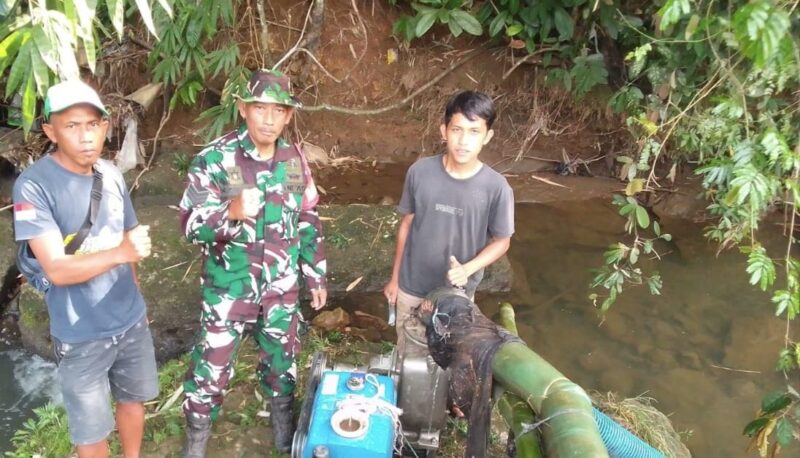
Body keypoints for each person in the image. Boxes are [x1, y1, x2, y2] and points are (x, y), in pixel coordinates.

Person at [178, 69, 327, 456]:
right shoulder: (216, 158)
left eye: (278, 111)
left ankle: (283, 439)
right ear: (243, 109)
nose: (268, 118)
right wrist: (231, 211)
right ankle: (195, 445)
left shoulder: (294, 160)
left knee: (282, 366)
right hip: (230, 289)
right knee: (210, 371)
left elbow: (307, 215)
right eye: (260, 108)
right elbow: (190, 225)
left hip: (281, 290)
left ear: (288, 115)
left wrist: (315, 272)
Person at [12, 80, 157, 458]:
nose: (85, 136)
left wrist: (137, 303)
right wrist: (121, 252)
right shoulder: (33, 187)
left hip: (130, 321)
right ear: (50, 131)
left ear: (106, 126)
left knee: (132, 400)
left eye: (92, 124)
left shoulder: (110, 175)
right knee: (90, 431)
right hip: (80, 333)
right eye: (71, 126)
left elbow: (128, 236)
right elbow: (57, 270)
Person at [383, 90, 515, 352]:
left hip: (457, 295)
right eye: (457, 129)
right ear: (444, 131)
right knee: (407, 355)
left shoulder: (497, 188)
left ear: (487, 136)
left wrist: (467, 269)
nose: (463, 140)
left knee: (448, 359)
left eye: (474, 131)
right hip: (412, 286)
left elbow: (502, 242)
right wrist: (395, 278)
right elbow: (407, 225)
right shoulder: (420, 172)